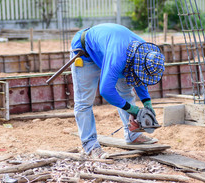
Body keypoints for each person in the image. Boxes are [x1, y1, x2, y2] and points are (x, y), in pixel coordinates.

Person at [70, 23, 165, 159]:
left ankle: (133, 135)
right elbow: (106, 90)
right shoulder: (117, 58)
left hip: (110, 50)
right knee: (84, 102)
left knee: (126, 93)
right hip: (85, 50)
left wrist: (147, 102)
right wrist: (133, 110)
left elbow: (140, 76)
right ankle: (90, 145)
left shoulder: (146, 51)